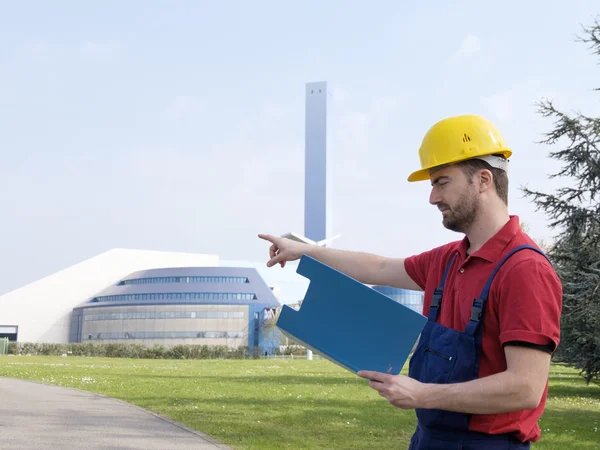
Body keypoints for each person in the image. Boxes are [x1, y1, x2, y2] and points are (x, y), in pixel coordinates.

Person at [258, 114, 562, 450]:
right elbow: (378, 267)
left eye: (441, 182)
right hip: (430, 440)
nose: (432, 198)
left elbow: (525, 388)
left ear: (484, 180)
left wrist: (423, 394)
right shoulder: (448, 260)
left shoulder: (524, 270)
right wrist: (304, 250)